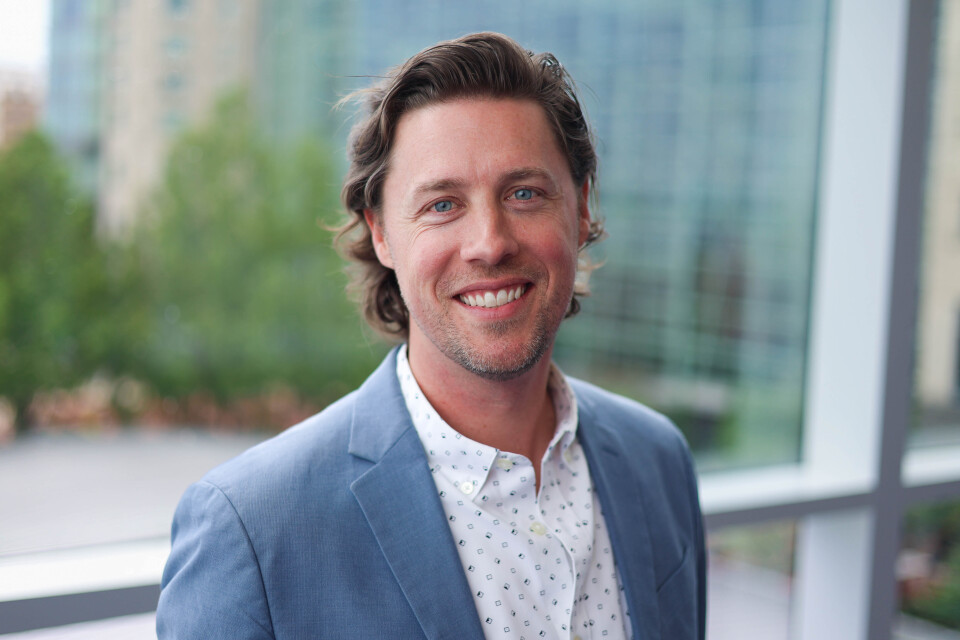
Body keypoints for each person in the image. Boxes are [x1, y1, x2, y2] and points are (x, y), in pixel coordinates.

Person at [157, 32, 705, 640]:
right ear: (381, 234)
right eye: (443, 205)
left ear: (580, 210)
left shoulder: (659, 461)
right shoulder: (252, 530)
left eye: (524, 194)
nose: (490, 243)